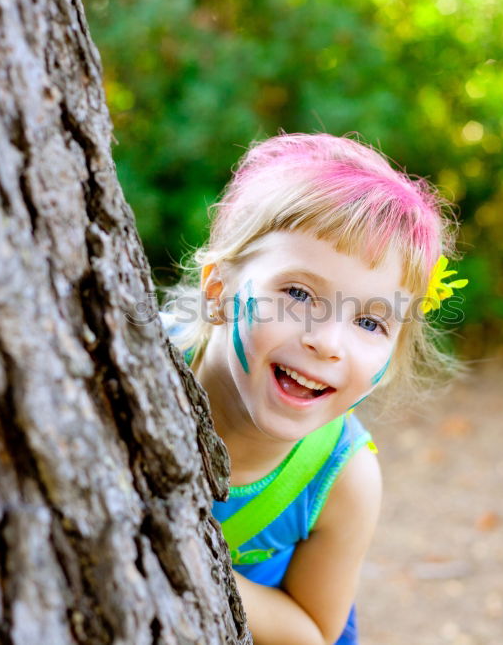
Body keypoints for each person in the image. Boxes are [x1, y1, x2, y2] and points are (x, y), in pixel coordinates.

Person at [160, 133, 465, 644]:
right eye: (299, 294)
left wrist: (187, 561)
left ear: (389, 361)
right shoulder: (136, 365)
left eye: (371, 323)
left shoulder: (342, 478)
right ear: (217, 291)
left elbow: (313, 633)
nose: (327, 343)